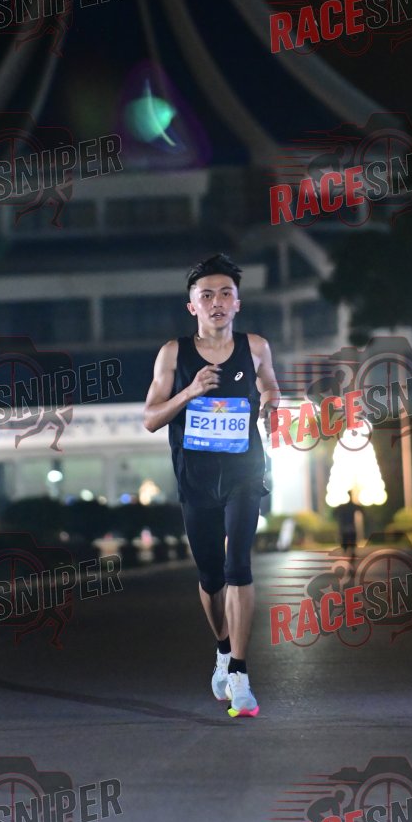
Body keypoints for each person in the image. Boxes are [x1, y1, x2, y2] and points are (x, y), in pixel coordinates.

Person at [143, 253, 280, 717]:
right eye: (207, 295)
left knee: (239, 565)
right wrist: (190, 391)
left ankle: (240, 673)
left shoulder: (255, 346)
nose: (217, 302)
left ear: (238, 303)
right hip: (196, 476)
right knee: (211, 576)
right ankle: (223, 648)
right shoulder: (173, 354)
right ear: (192, 307)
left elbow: (270, 385)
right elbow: (150, 419)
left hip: (244, 471)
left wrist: (271, 403)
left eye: (225, 294)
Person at [333, 492, 362, 558]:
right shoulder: (349, 506)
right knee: (349, 541)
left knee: (348, 542)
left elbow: (334, 513)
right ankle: (349, 552)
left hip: (347, 528)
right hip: (347, 528)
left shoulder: (344, 507)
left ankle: (349, 552)